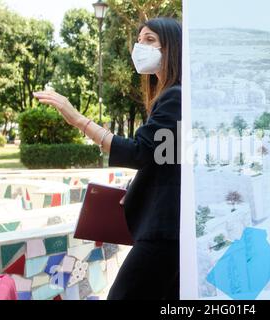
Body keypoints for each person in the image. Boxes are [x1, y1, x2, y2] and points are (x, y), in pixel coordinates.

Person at [33, 17, 182, 300]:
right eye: (139, 41)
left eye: (150, 40)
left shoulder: (174, 97)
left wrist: (78, 119)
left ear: (172, 48)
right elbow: (163, 163)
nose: (140, 47)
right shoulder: (170, 97)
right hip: (166, 229)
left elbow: (139, 152)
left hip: (163, 230)